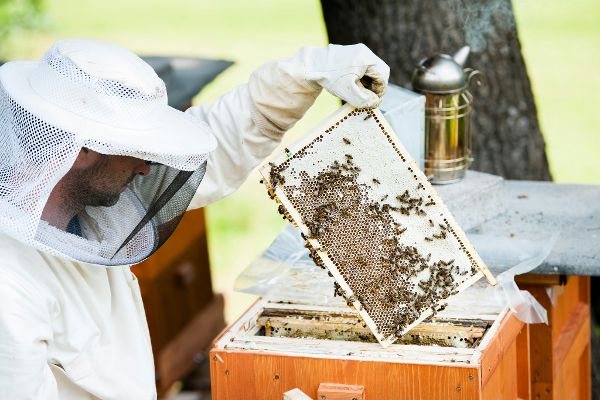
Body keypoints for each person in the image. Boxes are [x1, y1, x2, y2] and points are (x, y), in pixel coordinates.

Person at [0, 38, 389, 399]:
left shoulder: (81, 195)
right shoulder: (10, 293)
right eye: (138, 149)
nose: (147, 168)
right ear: (83, 147)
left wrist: (301, 74)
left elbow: (214, 145)